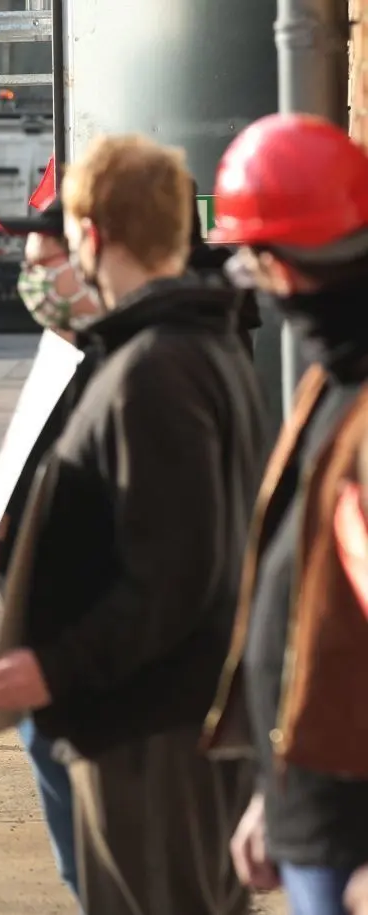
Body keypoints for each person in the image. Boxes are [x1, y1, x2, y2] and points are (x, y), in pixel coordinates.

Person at [0, 134, 266, 915]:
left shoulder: (156, 368)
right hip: (160, 715)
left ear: (92, 235)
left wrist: (56, 667)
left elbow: (174, 573)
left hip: (149, 728)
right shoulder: (191, 344)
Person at [199, 114, 368, 915]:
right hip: (316, 812)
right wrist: (275, 790)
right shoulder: (336, 382)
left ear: (281, 262)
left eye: (247, 256)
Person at [0, 199, 104, 905]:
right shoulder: (64, 345)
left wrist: (63, 659)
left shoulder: (124, 361)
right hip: (50, 626)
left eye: (44, 266)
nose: (32, 282)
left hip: (83, 643)